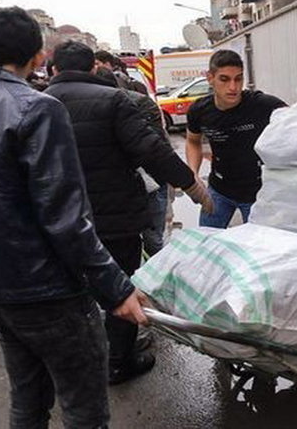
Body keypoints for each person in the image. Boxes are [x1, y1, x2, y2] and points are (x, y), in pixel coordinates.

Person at [0, 6, 148, 429]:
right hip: (51, 294)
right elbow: (66, 218)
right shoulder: (38, 109)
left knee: (27, 402)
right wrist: (116, 289)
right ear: (37, 57)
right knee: (84, 410)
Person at [46, 41, 212, 385]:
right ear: (94, 67)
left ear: (53, 69)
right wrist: (192, 186)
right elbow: (151, 150)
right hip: (115, 218)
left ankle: (77, 361)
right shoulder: (112, 100)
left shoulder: (36, 103)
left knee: (71, 291)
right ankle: (118, 362)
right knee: (119, 285)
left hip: (59, 220)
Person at [186, 49, 287, 229]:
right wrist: (193, 172)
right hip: (219, 191)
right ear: (210, 78)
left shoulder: (261, 104)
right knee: (206, 243)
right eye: (224, 79)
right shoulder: (199, 110)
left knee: (257, 250)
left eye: (238, 79)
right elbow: (193, 141)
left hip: (258, 194)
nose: (233, 87)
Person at [96, 67, 168, 256]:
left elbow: (155, 146)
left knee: (147, 239)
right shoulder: (138, 102)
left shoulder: (135, 104)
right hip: (142, 183)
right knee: (151, 240)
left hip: (145, 182)